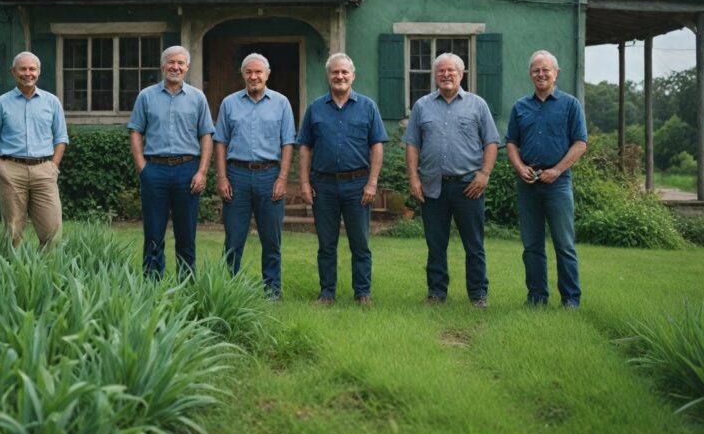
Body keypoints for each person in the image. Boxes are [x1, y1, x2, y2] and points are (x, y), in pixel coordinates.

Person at [403, 53, 499, 307]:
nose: (446, 75)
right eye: (441, 71)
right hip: (432, 186)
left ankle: (478, 294)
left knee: (474, 244)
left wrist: (484, 174)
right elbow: (412, 144)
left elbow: (491, 142)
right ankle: (436, 293)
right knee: (435, 244)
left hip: (469, 185)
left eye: (451, 71)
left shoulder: (478, 105)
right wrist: (413, 178)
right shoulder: (422, 106)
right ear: (435, 76)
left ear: (461, 74)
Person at [297, 53, 388, 306]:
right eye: (335, 72)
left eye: (344, 72)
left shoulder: (368, 107)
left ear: (353, 76)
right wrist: (304, 182)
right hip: (322, 186)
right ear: (328, 76)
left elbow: (377, 146)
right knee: (326, 244)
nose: (340, 76)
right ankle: (327, 293)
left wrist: (372, 183)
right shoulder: (315, 108)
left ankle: (362, 293)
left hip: (357, 185)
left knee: (360, 243)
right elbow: (304, 147)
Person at [506, 50, 588, 308]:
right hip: (528, 182)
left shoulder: (570, 104)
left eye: (545, 70)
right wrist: (519, 167)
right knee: (531, 245)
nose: (541, 74)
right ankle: (537, 298)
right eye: (536, 70)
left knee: (564, 245)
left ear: (556, 73)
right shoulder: (520, 107)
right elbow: (511, 142)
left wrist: (558, 170)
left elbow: (580, 143)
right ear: (531, 74)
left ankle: (571, 300)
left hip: (558, 183)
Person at [213, 53, 296, 299]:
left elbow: (288, 143)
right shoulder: (229, 103)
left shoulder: (281, 103)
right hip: (236, 175)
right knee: (234, 239)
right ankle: (229, 290)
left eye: (259, 72)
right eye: (249, 72)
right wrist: (221, 178)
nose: (254, 76)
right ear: (242, 75)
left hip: (269, 176)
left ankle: (272, 292)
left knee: (271, 240)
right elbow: (220, 142)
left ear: (267, 74)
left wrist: (282, 178)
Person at [128, 45, 214, 279]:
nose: (175, 67)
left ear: (187, 67)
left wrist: (202, 171)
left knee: (186, 233)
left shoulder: (197, 98)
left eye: (180, 63)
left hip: (188, 170)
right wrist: (142, 167)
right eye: (171, 62)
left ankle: (186, 283)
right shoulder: (146, 96)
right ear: (162, 66)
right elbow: (135, 131)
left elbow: (206, 135)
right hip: (154, 170)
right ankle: (151, 282)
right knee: (153, 232)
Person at [0, 51, 68, 248]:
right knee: (12, 233)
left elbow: (61, 138)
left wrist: (53, 166)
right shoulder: (0, 104)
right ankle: (12, 273)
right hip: (12, 170)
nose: (28, 73)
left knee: (52, 232)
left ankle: (44, 274)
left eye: (32, 69)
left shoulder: (51, 102)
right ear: (13, 71)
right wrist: (0, 168)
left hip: (44, 170)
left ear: (38, 72)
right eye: (23, 69)